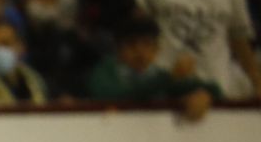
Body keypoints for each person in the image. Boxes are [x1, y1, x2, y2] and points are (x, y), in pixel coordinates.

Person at [87, 14, 218, 118]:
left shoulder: (159, 75)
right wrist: (169, 78)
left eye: (147, 44)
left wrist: (204, 94)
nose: (140, 51)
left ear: (157, 49)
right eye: (131, 44)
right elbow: (119, 97)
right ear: (118, 49)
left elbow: (213, 89)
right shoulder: (105, 72)